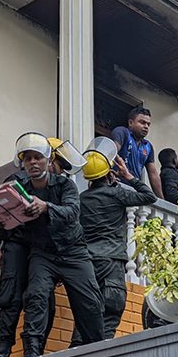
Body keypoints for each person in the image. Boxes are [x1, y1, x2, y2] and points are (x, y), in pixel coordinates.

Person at [14, 132, 104, 357]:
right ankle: (31, 353)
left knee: (90, 302)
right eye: (28, 158)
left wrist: (46, 207)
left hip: (74, 253)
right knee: (36, 295)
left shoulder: (65, 185)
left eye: (38, 157)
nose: (33, 162)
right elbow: (10, 221)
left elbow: (72, 212)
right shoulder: (20, 188)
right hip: (42, 253)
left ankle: (96, 350)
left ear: (48, 160)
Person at [70, 139, 157, 344]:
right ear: (109, 173)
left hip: (87, 263)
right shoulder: (117, 194)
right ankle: (99, 355)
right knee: (109, 315)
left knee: (86, 314)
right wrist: (129, 176)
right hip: (111, 263)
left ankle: (75, 351)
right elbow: (149, 197)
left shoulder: (81, 200)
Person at [111, 107, 164, 199]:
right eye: (142, 122)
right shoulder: (122, 133)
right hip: (116, 186)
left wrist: (162, 200)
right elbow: (110, 153)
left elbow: (153, 174)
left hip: (133, 191)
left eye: (148, 124)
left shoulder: (148, 146)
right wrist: (107, 174)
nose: (146, 127)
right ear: (130, 123)